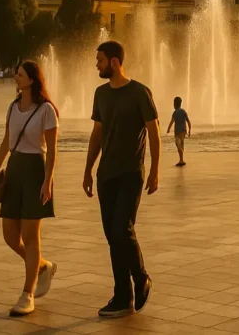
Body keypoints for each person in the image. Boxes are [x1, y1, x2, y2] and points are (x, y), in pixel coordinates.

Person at [83, 41, 160, 319]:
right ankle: (122, 296)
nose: (97, 65)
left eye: (100, 60)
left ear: (114, 62)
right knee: (112, 236)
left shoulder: (140, 92)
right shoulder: (100, 94)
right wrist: (88, 169)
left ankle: (140, 278)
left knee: (121, 229)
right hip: (106, 175)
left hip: (131, 173)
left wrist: (154, 170)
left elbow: (153, 131)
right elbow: (97, 134)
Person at [0, 61, 59, 317]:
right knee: (9, 235)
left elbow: (51, 150)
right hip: (15, 168)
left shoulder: (46, 110)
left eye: (19, 74)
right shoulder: (12, 107)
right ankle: (42, 266)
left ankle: (28, 294)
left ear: (32, 79)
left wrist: (47, 180)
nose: (15, 77)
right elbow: (7, 141)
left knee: (30, 236)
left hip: (34, 171)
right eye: (16, 73)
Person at [165, 96, 191, 167]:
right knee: (181, 144)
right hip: (183, 132)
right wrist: (189, 131)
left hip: (178, 132)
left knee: (178, 144)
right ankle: (181, 159)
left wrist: (168, 129)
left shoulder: (175, 112)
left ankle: (181, 160)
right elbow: (188, 122)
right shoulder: (183, 111)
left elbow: (172, 121)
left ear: (174, 104)